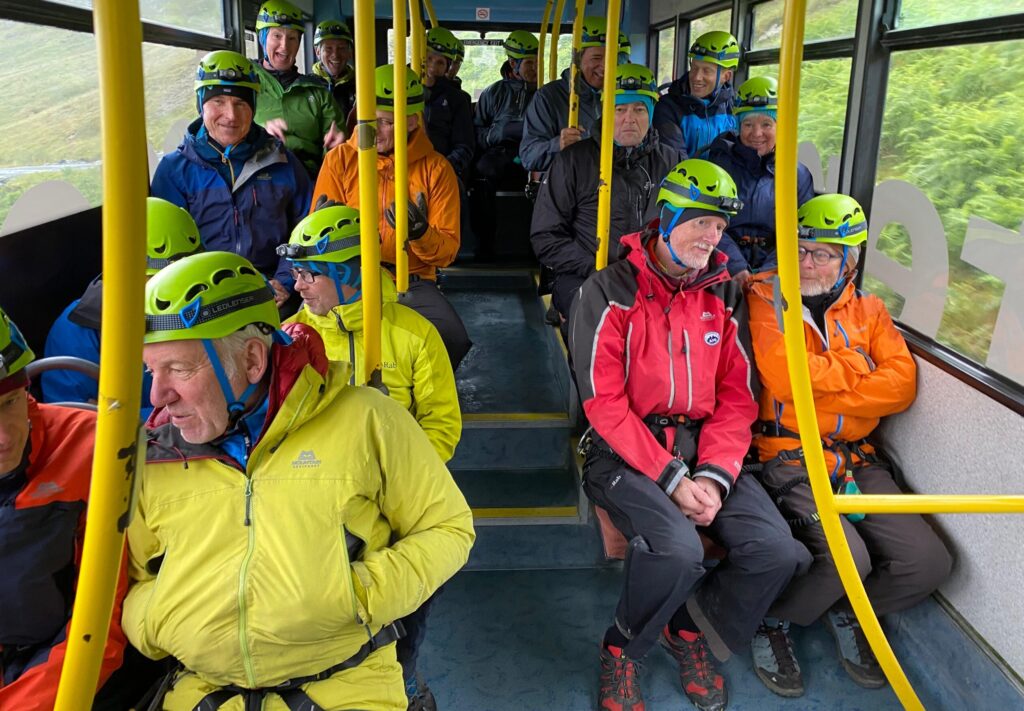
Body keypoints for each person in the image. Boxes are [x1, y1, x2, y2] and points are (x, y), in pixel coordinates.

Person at [125, 251, 475, 710]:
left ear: (252, 359)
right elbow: (136, 574)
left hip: (346, 685)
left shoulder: (367, 419)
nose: (158, 396)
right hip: (203, 690)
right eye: (152, 370)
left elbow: (448, 527)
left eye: (180, 368)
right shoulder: (154, 456)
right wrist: (159, 623)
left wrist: (358, 597)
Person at [569, 159, 810, 711]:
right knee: (676, 551)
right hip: (624, 453)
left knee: (778, 552)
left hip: (706, 451)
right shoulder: (608, 292)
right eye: (702, 222)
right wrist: (673, 479)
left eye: (721, 227)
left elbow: (736, 398)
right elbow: (603, 405)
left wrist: (716, 476)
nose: (713, 237)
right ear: (667, 217)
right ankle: (622, 649)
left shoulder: (722, 297)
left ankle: (691, 628)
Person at [746, 193, 952, 698]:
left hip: (855, 459)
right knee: (847, 559)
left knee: (928, 563)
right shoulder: (765, 295)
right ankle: (771, 620)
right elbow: (785, 375)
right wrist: (862, 370)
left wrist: (829, 381)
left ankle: (846, 609)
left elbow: (901, 387)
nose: (808, 262)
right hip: (789, 456)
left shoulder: (871, 311)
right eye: (802, 249)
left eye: (824, 253)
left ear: (850, 262)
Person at [0, 307, 128, 711]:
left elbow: (103, 618)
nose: (3, 437)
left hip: (65, 667)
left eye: (9, 403)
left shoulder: (90, 449)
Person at [313, 64, 471, 370]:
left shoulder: (436, 170)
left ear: (412, 121)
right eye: (368, 118)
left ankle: (425, 394)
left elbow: (448, 251)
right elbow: (318, 233)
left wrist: (420, 234)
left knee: (452, 337)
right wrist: (326, 233)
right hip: (351, 277)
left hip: (410, 279)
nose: (373, 129)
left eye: (386, 122)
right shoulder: (341, 161)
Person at [281, 205, 461, 462]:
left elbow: (441, 425)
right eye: (295, 273)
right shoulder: (289, 338)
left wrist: (400, 477)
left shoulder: (416, 334)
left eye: (308, 274)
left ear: (351, 276)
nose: (298, 286)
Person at [151, 49, 312, 306]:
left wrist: (285, 280)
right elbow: (164, 250)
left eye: (240, 104)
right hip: (201, 298)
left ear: (253, 108)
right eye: (218, 103)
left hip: (274, 293)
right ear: (201, 105)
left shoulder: (282, 162)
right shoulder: (174, 171)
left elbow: (305, 227)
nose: (231, 116)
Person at [531, 63, 681, 323]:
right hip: (586, 272)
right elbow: (546, 235)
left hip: (655, 272)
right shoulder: (573, 161)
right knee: (601, 320)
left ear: (652, 113)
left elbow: (688, 223)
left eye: (639, 109)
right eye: (619, 109)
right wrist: (595, 268)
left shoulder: (671, 162)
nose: (629, 119)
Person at [41, 197, 204, 413]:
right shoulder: (79, 328)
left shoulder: (206, 304)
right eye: (157, 279)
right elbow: (75, 419)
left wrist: (121, 413)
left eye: (184, 278)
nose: (175, 291)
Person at [707, 75, 815, 286]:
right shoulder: (718, 166)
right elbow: (707, 220)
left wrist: (769, 272)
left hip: (774, 270)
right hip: (720, 264)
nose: (757, 133)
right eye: (748, 124)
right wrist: (735, 266)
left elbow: (800, 232)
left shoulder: (797, 176)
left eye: (767, 124)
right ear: (738, 126)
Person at [253, 0, 344, 177]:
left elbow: (337, 154)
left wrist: (336, 148)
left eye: (292, 38)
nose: (284, 46)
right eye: (277, 36)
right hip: (256, 181)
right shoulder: (246, 86)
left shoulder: (318, 92)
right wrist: (258, 133)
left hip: (308, 179)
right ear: (263, 38)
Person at [519, 16, 607, 173]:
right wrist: (558, 144)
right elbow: (528, 156)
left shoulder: (622, 98)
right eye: (596, 58)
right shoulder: (549, 97)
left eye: (612, 58)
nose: (605, 66)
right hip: (568, 184)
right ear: (578, 59)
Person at [653, 30, 739, 159]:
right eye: (694, 68)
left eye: (706, 71)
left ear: (726, 76)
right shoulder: (668, 108)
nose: (697, 77)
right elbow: (675, 161)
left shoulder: (735, 107)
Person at [421, 27, 476, 180]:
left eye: (440, 62)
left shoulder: (456, 99)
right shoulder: (398, 88)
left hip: (440, 169)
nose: (432, 66)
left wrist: (442, 169)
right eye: (429, 58)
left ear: (447, 67)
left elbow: (464, 146)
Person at [312, 19, 356, 127]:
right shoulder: (307, 86)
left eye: (341, 48)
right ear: (318, 52)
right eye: (328, 49)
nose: (335, 55)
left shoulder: (361, 85)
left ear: (349, 53)